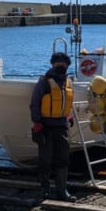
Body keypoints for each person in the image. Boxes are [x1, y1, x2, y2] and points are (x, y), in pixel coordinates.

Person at [29, 52, 77, 202]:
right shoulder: (44, 82)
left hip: (62, 126)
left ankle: (62, 191)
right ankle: (44, 189)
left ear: (68, 65)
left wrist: (68, 116)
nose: (61, 65)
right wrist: (37, 122)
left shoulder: (68, 82)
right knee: (45, 159)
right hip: (45, 127)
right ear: (52, 64)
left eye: (64, 63)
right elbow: (35, 103)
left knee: (63, 159)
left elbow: (65, 103)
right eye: (58, 62)